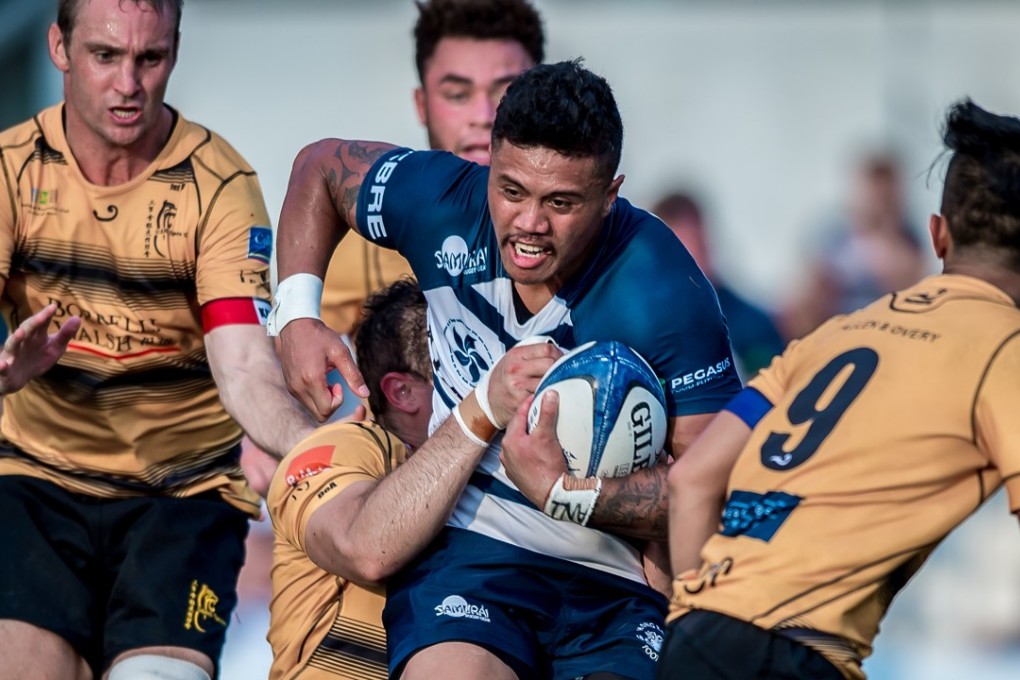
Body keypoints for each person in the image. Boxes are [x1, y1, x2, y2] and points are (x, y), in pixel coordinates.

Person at [269, 60, 741, 679]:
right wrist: (296, 315)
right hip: (473, 556)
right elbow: (320, 168)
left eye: (562, 202)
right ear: (489, 163)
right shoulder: (441, 201)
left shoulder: (662, 292)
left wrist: (567, 493)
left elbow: (712, 490)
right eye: (512, 189)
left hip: (612, 583)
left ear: (610, 194)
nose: (529, 225)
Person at [0, 2, 316, 679]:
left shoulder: (221, 184)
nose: (128, 85)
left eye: (151, 58)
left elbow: (242, 363)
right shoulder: (8, 171)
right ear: (59, 46)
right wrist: (4, 374)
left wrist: (314, 446)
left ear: (175, 49)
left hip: (184, 497)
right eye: (105, 56)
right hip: (38, 484)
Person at [655, 99, 1020, 680]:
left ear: (938, 235)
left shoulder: (829, 338)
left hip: (695, 636)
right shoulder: (1007, 349)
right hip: (796, 655)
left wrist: (695, 623)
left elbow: (692, 478)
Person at [266, 278, 558, 679]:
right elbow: (365, 550)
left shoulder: (507, 476)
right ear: (403, 393)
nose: (498, 386)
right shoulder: (348, 446)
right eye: (465, 365)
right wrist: (481, 410)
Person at [318, 0, 545, 344]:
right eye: (457, 94)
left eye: (507, 92)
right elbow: (291, 366)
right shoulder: (361, 238)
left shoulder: (591, 226)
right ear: (422, 105)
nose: (484, 114)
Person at [780, 150, 930, 340]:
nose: (879, 200)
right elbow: (805, 289)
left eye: (886, 194)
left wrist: (884, 235)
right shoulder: (831, 231)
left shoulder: (907, 235)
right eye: (875, 189)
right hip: (832, 327)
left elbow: (910, 288)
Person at [652, 190, 786, 378]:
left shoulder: (754, 326)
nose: (693, 264)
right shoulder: (641, 330)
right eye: (682, 252)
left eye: (698, 247)